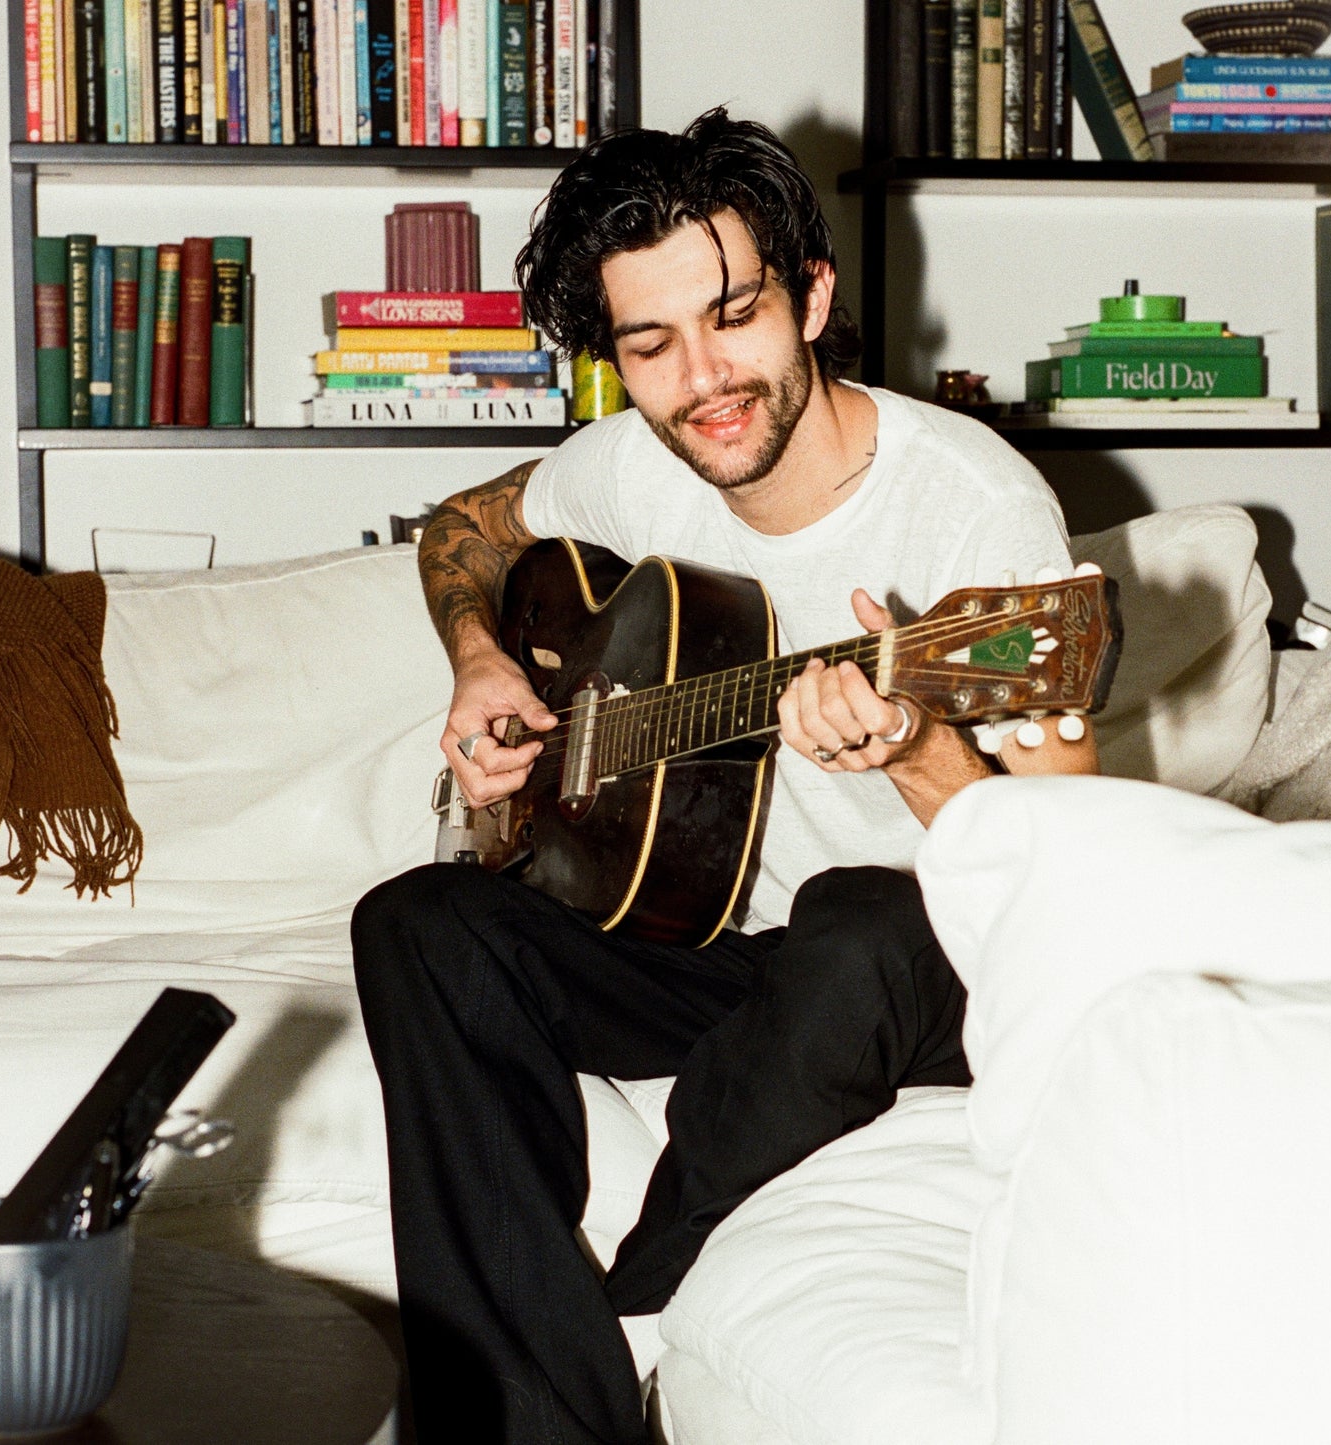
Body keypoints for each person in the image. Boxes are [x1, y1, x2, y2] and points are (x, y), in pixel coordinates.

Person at [352, 108, 1098, 1445]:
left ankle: (646, 1306)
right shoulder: (637, 467)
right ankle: (521, 1420)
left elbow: (1061, 866)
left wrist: (917, 747)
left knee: (860, 911)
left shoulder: (971, 505)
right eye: (650, 344)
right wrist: (480, 657)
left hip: (919, 966)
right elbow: (466, 527)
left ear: (809, 297)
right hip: (713, 948)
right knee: (419, 922)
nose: (703, 378)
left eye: (734, 315)